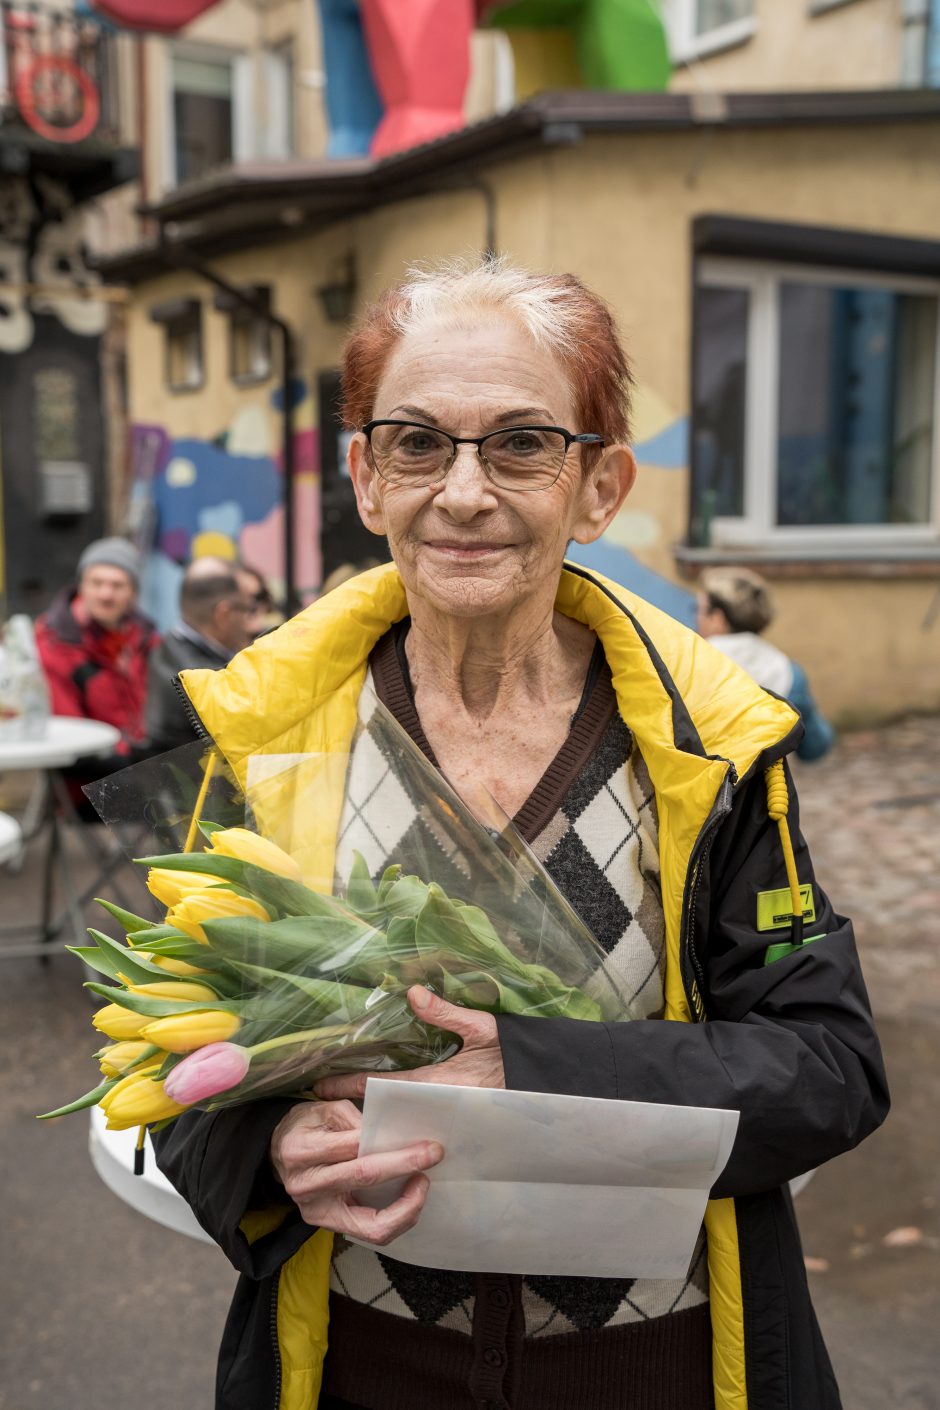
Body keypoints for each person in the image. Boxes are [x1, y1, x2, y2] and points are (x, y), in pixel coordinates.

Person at [153, 260, 888, 1410]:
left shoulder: (707, 752)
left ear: (597, 486)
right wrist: (267, 1152)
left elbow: (829, 1067)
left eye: (519, 445)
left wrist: (534, 1071)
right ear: (363, 475)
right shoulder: (268, 739)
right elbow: (173, 1065)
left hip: (650, 1370)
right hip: (361, 1365)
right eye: (416, 443)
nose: (462, 492)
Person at [35, 536, 157, 765]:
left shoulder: (146, 639)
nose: (106, 594)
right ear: (81, 586)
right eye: (96, 583)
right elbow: (70, 737)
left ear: (133, 593)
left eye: (117, 585)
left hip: (143, 759)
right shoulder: (55, 646)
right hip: (93, 773)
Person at [696, 566, 835, 762]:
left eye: (699, 610)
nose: (696, 617)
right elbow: (814, 747)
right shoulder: (788, 671)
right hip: (772, 790)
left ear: (717, 618)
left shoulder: (690, 661)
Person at [145, 557, 256, 752]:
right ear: (223, 614)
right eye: (245, 611)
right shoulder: (208, 679)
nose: (249, 623)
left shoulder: (166, 649)